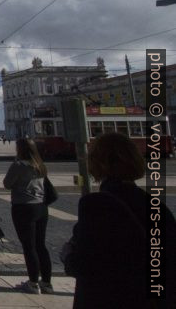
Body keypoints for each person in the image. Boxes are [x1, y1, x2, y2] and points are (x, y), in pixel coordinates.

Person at [66, 132, 176, 308]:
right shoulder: (158, 208)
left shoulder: (96, 205)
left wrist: (68, 254)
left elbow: (82, 264)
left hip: (111, 299)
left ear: (98, 162)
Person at [3, 139, 52, 294]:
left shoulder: (18, 166)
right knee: (41, 245)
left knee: (29, 246)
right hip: (41, 208)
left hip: (24, 208)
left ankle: (32, 282)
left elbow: (7, 183)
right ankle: (46, 282)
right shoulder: (40, 165)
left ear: (20, 150)